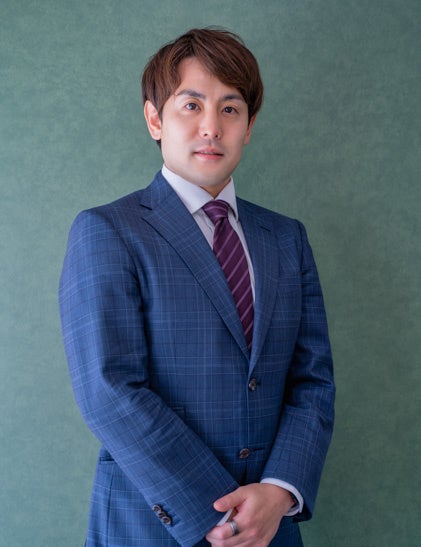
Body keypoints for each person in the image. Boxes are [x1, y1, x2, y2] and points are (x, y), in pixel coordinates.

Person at [59, 28, 335, 547]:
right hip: (151, 523)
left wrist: (278, 493)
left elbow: (312, 381)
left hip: (270, 526)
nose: (212, 126)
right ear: (154, 119)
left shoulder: (287, 238)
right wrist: (218, 512)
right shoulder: (109, 231)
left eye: (230, 109)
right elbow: (109, 389)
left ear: (249, 126)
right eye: (191, 105)